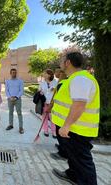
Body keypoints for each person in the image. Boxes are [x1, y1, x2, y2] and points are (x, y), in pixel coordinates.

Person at [51, 52, 100, 185]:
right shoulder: (74, 78)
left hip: (77, 130)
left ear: (68, 63)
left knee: (82, 161)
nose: (60, 63)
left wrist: (66, 126)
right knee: (74, 157)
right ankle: (72, 175)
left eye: (62, 60)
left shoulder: (80, 79)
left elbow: (79, 104)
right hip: (73, 129)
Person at [38, 69, 57, 138]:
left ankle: (54, 131)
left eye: (45, 73)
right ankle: (46, 130)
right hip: (44, 102)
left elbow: (56, 91)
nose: (44, 74)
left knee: (52, 118)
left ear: (49, 75)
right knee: (44, 117)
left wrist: (53, 89)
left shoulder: (55, 82)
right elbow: (39, 90)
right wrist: (40, 92)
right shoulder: (42, 83)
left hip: (52, 103)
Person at [5, 68, 24, 134]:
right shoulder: (7, 81)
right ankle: (11, 125)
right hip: (10, 99)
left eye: (15, 72)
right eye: (12, 72)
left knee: (19, 113)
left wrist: (16, 97)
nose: (14, 73)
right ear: (10, 73)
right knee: (10, 112)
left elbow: (21, 91)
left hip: (17, 99)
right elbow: (6, 90)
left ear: (16, 73)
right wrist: (10, 97)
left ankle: (21, 127)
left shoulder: (20, 81)